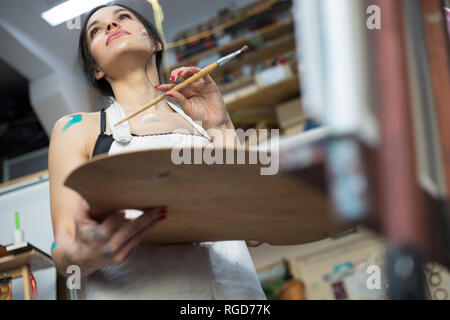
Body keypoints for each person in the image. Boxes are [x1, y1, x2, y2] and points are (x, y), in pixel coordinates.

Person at [48, 3, 265, 299]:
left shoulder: (204, 129)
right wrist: (85, 254)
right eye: (96, 30)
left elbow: (254, 233)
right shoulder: (76, 130)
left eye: (123, 17)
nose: (111, 26)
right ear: (96, 69)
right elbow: (63, 250)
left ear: (155, 41)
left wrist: (221, 125)